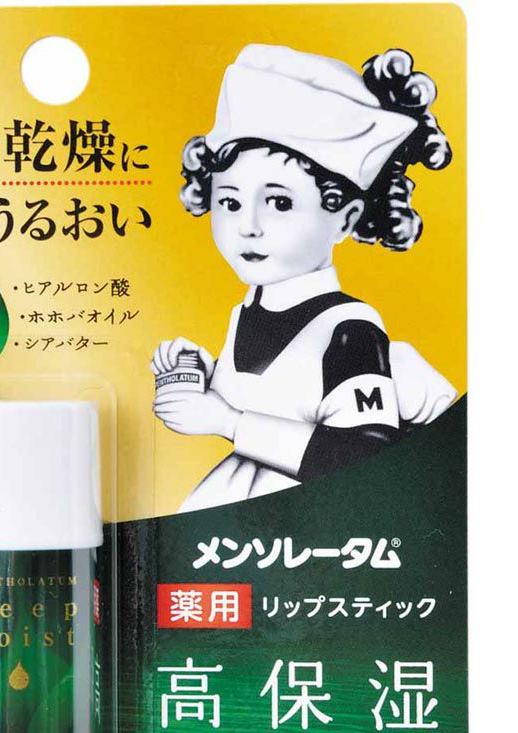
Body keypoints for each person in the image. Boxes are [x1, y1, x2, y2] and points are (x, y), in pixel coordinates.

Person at [152, 44, 457, 512]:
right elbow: (281, 393)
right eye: (229, 202)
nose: (248, 226)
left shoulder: (350, 331)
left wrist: (227, 422)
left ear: (346, 217)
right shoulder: (248, 309)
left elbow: (365, 456)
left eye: (279, 203)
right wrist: (202, 375)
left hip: (314, 522)